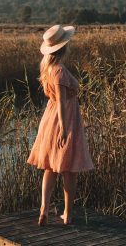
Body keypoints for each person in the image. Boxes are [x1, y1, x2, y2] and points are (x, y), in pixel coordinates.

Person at [26, 25, 94, 226]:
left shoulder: (47, 68)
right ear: (63, 48)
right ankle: (68, 215)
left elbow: (57, 101)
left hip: (50, 118)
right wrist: (64, 129)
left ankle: (44, 210)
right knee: (68, 169)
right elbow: (63, 103)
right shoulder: (61, 71)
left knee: (50, 167)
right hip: (64, 119)